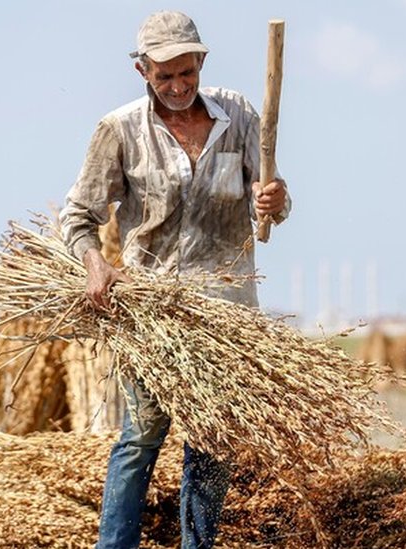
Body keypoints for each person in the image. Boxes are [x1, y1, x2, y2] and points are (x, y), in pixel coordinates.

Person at [60, 11, 291, 549]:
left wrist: (275, 200)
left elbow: (274, 198)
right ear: (142, 70)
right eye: (164, 76)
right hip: (153, 309)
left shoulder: (238, 115)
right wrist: (97, 263)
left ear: (201, 63)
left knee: (212, 441)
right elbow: (78, 217)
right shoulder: (119, 130)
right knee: (141, 438)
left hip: (228, 308)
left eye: (186, 73)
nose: (178, 86)